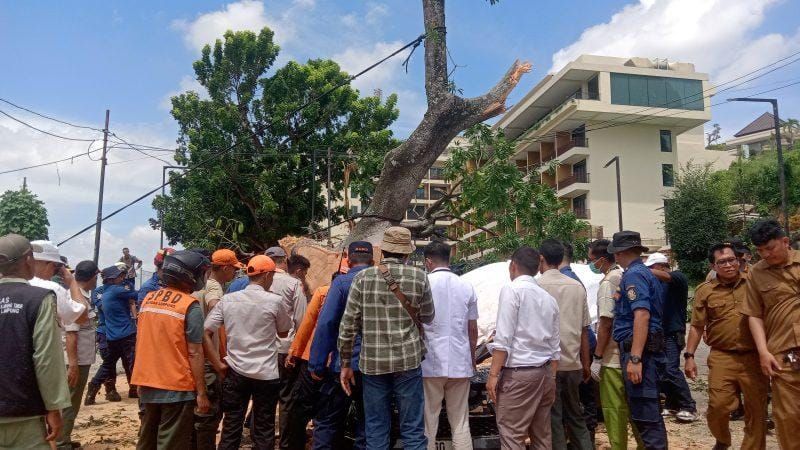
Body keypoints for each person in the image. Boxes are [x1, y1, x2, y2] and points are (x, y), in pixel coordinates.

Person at [338, 227, 435, 450]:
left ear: (383, 251)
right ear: (407, 253)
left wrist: (345, 363)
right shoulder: (419, 276)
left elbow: (348, 325)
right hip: (408, 362)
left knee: (376, 428)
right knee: (412, 429)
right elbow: (428, 316)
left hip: (372, 364)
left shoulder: (362, 278)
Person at [684, 242, 768, 450]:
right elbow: (696, 326)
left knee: (757, 410)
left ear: (739, 260)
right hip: (723, 356)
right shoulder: (705, 291)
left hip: (754, 357)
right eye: (722, 262)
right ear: (713, 266)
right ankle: (722, 440)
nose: (729, 265)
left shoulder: (754, 283)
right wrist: (689, 356)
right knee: (718, 405)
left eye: (732, 260)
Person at [203, 255, 292, 450]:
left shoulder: (228, 300)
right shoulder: (275, 302)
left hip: (235, 371)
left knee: (231, 425)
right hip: (266, 374)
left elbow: (206, 331)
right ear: (267, 275)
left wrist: (218, 364)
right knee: (264, 427)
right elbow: (284, 332)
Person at [132, 250, 210, 449]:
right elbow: (195, 352)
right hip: (177, 387)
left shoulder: (148, 299)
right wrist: (201, 392)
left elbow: (143, 341)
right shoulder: (189, 306)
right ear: (189, 276)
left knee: (147, 440)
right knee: (171, 443)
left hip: (147, 383)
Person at [0, 234, 71, 449]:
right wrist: (54, 408)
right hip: (24, 413)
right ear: (29, 260)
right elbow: (46, 359)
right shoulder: (39, 298)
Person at [486, 246, 560, 450]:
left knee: (512, 436)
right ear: (538, 269)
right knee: (542, 435)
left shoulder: (512, 290)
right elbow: (555, 346)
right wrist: (551, 378)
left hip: (519, 373)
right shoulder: (548, 298)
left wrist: (493, 375)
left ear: (513, 266)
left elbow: (503, 339)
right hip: (544, 373)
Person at [739, 219, 800, 450]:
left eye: (770, 248)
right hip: (784, 356)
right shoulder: (756, 273)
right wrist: (763, 352)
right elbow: (754, 314)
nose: (765, 254)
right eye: (760, 250)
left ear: (785, 242)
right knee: (788, 418)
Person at [309, 242, 373, 450]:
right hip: (374, 366)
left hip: (342, 366)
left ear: (347, 259)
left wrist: (317, 364)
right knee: (369, 424)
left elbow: (326, 323)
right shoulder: (383, 283)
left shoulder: (341, 283)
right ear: (373, 261)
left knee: (327, 421)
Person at [608, 230, 668, 449]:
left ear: (619, 253)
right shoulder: (643, 273)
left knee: (646, 417)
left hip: (641, 352)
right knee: (648, 416)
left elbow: (641, 315)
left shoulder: (634, 275)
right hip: (646, 349)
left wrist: (635, 359)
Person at [420, 241, 478, 450]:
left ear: (428, 261)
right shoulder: (466, 286)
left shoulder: (423, 283)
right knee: (461, 422)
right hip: (460, 362)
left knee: (428, 422)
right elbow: (472, 329)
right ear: (449, 258)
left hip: (430, 364)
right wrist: (471, 359)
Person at [588, 239, 643, 449]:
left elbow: (605, 323)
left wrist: (598, 356)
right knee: (635, 410)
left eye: (591, 259)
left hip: (612, 358)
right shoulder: (623, 275)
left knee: (614, 410)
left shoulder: (608, 282)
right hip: (629, 354)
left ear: (602, 260)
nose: (590, 263)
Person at [537, 239, 592, 450]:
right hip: (573, 364)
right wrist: (585, 364)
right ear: (562, 258)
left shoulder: (537, 287)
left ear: (541, 259)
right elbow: (584, 330)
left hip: (547, 366)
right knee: (576, 416)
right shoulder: (577, 287)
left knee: (554, 419)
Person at [645, 252, 697, 422]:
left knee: (670, 369)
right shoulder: (659, 284)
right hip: (661, 332)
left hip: (673, 333)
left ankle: (689, 405)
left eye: (651, 269)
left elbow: (666, 277)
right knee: (662, 370)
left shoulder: (677, 278)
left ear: (660, 266)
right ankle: (672, 403)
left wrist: (637, 269)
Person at [56, 260, 100, 450]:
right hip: (75, 361)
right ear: (93, 277)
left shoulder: (81, 296)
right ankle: (61, 442)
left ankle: (63, 438)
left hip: (79, 359)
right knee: (69, 403)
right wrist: (73, 365)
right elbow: (71, 334)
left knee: (71, 401)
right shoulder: (75, 297)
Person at [560, 240, 600, 444]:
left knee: (580, 399)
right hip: (583, 345)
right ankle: (586, 438)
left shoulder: (565, 280)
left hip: (577, 347)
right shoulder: (574, 279)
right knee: (583, 398)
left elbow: (576, 326)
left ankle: (585, 438)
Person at [284, 283, 330, 450]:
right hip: (339, 363)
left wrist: (294, 352)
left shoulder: (323, 291)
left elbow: (307, 323)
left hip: (310, 357)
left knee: (301, 407)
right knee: (328, 410)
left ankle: (295, 445)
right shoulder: (361, 290)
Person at [86, 265, 139, 402]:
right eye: (120, 276)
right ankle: (138, 389)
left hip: (112, 335)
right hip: (126, 333)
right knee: (133, 362)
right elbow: (138, 295)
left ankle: (93, 387)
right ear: (111, 279)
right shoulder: (117, 290)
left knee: (108, 364)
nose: (123, 278)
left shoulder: (106, 292)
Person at [29, 240, 89, 332]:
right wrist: (72, 282)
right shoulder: (51, 289)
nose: (55, 272)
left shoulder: (7, 284)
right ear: (48, 263)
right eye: (56, 266)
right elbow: (82, 317)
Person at [85, 280, 122, 404]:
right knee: (108, 361)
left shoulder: (122, 289)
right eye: (119, 276)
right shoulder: (99, 291)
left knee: (112, 361)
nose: (121, 278)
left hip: (120, 331)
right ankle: (103, 388)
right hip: (105, 331)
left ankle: (111, 389)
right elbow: (104, 306)